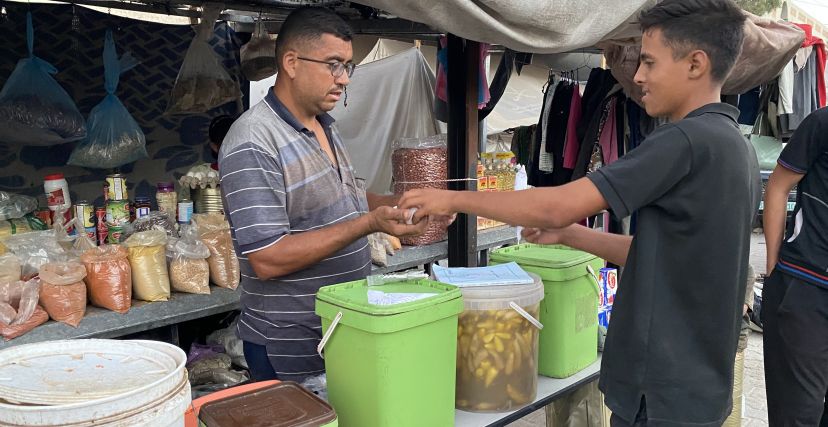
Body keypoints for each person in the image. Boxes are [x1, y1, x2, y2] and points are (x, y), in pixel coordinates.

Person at [400, 1, 759, 425]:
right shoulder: (735, 146)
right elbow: (659, 255)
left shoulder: (684, 140)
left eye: (648, 61)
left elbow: (556, 204)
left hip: (660, 391)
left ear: (696, 64)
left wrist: (452, 199)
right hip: (696, 388)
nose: (638, 76)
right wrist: (571, 235)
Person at [217, 7, 428, 383]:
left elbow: (350, 199)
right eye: (334, 65)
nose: (344, 79)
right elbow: (268, 258)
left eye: (349, 66)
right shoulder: (253, 141)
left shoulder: (323, 126)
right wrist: (368, 224)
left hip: (339, 330)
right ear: (292, 62)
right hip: (289, 347)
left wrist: (399, 205)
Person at [763, 106, 828, 426]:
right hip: (806, 287)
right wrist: (774, 266)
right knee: (799, 415)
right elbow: (777, 186)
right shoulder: (823, 123)